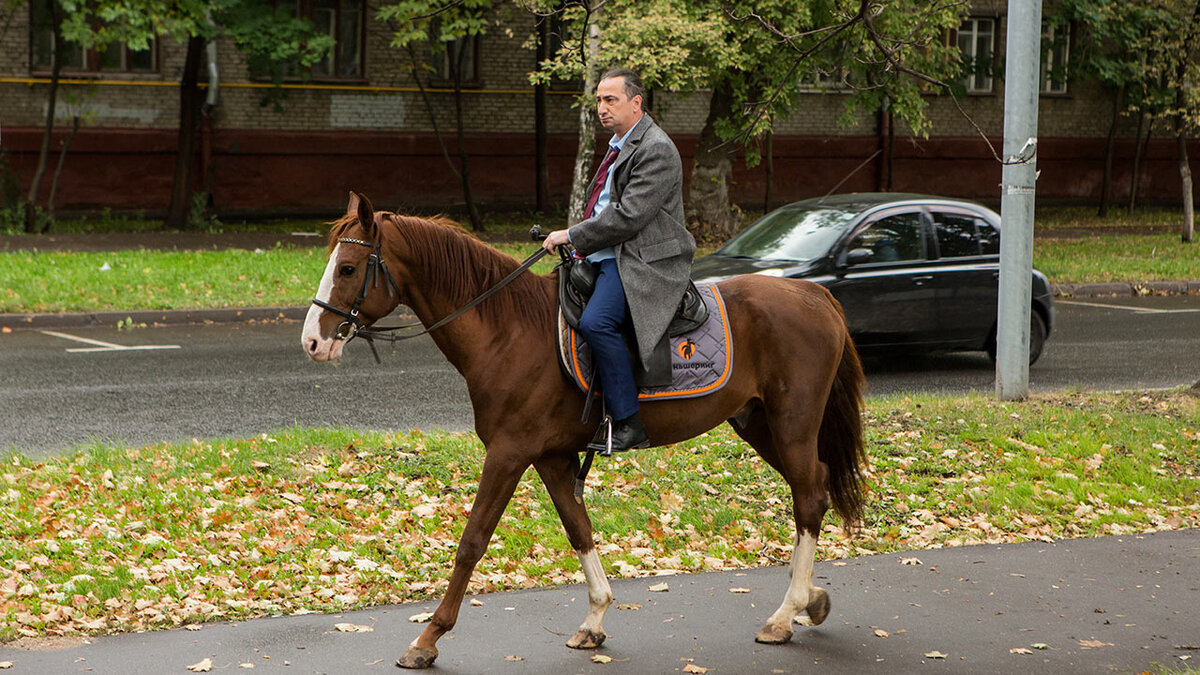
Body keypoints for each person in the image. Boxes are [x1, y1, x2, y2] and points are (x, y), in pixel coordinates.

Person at [542, 68, 695, 452]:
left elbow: (628, 216)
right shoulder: (620, 143)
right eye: (598, 100)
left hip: (643, 260)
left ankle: (628, 422)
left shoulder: (655, 148)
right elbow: (605, 207)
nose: (602, 108)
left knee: (597, 322)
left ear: (635, 102)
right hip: (609, 251)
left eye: (610, 99)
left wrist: (573, 234)